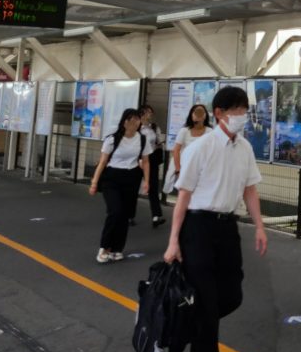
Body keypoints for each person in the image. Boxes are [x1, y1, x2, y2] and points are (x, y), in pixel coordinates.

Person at [164, 87, 267, 352]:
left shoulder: (245, 148)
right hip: (198, 227)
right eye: (236, 110)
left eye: (244, 110)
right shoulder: (200, 147)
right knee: (207, 305)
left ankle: (182, 332)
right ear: (219, 113)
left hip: (227, 227)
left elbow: (250, 189)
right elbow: (183, 196)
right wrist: (174, 241)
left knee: (232, 295)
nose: (241, 116)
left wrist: (259, 226)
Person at [89, 108, 153, 264]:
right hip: (112, 178)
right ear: (124, 121)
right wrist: (94, 182)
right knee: (115, 211)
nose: (134, 123)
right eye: (130, 120)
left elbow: (145, 161)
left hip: (131, 178)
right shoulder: (112, 139)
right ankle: (104, 247)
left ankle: (117, 249)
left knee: (125, 215)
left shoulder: (142, 139)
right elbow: (103, 162)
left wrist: (147, 181)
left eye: (137, 120)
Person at [165, 104, 212, 192]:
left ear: (205, 115)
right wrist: (178, 170)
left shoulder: (210, 132)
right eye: (196, 112)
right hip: (185, 168)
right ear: (191, 115)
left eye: (201, 113)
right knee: (185, 195)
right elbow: (176, 151)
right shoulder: (184, 131)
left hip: (202, 169)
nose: (198, 115)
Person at [139, 104, 167, 227]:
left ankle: (156, 216)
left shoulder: (154, 128)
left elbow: (159, 142)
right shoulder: (136, 127)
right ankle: (128, 215)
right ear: (143, 113)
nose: (151, 115)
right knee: (132, 187)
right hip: (136, 159)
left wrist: (159, 145)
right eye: (149, 112)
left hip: (151, 160)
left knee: (153, 187)